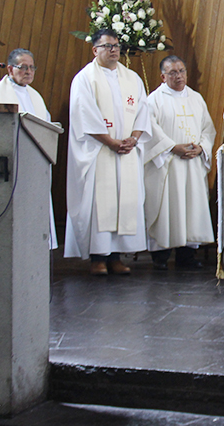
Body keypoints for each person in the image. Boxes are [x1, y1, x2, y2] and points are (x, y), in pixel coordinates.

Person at [64, 29, 151, 275]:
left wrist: (133, 139)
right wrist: (111, 142)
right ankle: (97, 258)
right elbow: (84, 116)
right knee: (100, 203)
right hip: (99, 152)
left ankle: (116, 257)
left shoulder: (132, 78)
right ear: (95, 50)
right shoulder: (85, 79)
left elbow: (143, 112)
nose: (114, 50)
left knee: (124, 201)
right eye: (107, 46)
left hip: (125, 151)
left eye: (116, 45)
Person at [143, 56, 216, 270]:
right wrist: (172, 147)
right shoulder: (154, 100)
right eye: (173, 72)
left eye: (181, 71)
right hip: (167, 163)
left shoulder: (196, 98)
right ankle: (161, 255)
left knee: (190, 207)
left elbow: (207, 128)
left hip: (192, 163)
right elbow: (151, 130)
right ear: (163, 76)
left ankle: (187, 256)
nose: (178, 76)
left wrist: (202, 147)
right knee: (168, 206)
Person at [0, 48, 58, 250]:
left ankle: (35, 247)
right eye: (23, 67)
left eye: (32, 67)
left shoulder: (35, 96)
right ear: (10, 69)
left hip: (34, 163)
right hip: (9, 164)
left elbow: (46, 126)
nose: (28, 71)